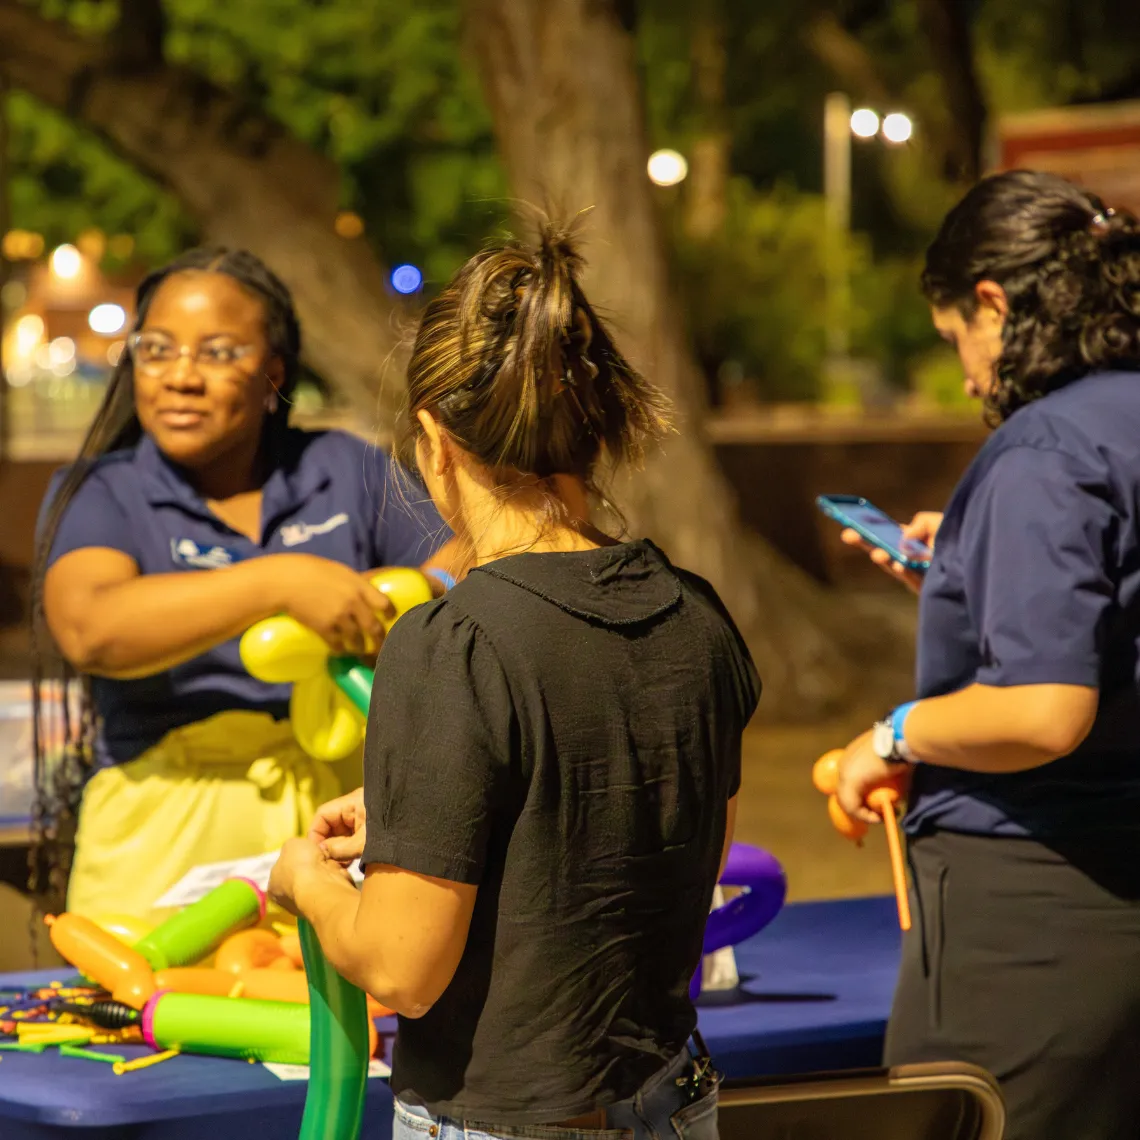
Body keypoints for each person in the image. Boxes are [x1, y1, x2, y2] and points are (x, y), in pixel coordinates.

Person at [269, 223, 758, 1140]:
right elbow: (661, 842)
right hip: (673, 1097)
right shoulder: (696, 613)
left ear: (435, 443)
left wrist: (307, 881)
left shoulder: (450, 641)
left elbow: (402, 968)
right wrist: (428, 822)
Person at [836, 170, 1140, 1139]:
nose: (968, 371)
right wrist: (972, 571)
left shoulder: (1043, 452)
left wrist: (892, 734)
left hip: (1038, 913)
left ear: (995, 303)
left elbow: (1046, 709)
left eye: (957, 335)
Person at [33, 247, 461, 919]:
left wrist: (417, 589)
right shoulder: (102, 491)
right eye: (157, 349)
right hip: (158, 842)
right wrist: (280, 583)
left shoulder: (343, 466)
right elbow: (90, 627)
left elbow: (469, 554)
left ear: (273, 374)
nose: (180, 377)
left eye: (217, 352)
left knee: (344, 1021)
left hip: (337, 825)